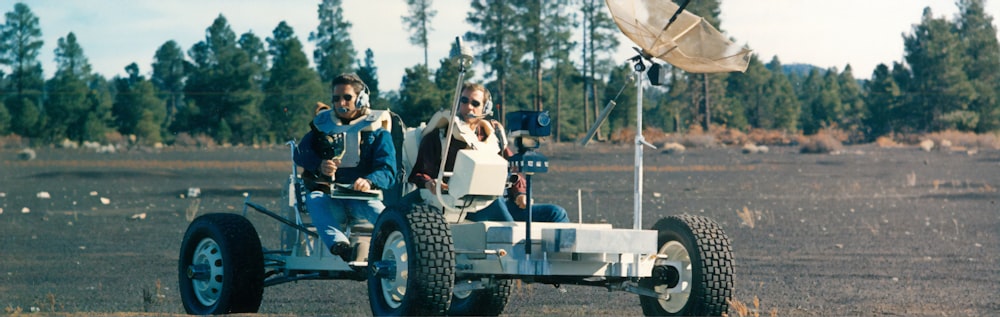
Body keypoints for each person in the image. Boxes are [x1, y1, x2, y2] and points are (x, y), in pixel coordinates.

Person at [408, 83, 567, 223]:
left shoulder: (493, 137)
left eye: (475, 103)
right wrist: (430, 183)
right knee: (497, 205)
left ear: (484, 108)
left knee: (556, 214)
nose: (469, 107)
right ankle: (517, 249)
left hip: (502, 202)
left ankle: (563, 255)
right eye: (464, 101)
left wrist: (519, 193)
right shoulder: (440, 136)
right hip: (463, 206)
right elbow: (420, 173)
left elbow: (513, 170)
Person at [294, 73, 396, 261]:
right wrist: (319, 165)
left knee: (384, 217)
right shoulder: (322, 127)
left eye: (347, 97)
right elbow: (300, 154)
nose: (341, 103)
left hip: (362, 199)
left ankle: (398, 251)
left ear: (361, 99)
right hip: (330, 198)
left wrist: (369, 181)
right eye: (336, 98)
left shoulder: (378, 133)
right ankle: (341, 247)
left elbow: (388, 171)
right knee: (315, 199)